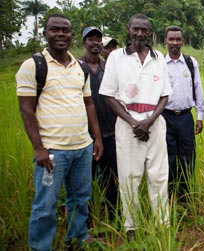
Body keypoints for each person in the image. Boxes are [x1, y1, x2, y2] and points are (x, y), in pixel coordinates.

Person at [16, 14, 103, 249]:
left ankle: (77, 238)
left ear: (72, 34)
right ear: (45, 33)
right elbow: (26, 110)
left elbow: (89, 104)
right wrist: (38, 148)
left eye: (65, 30)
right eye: (55, 29)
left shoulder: (80, 68)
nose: (61, 34)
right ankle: (41, 246)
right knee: (46, 204)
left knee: (80, 198)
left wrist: (96, 139)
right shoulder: (34, 66)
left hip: (82, 148)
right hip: (53, 152)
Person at [99, 14, 172, 239]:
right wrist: (133, 122)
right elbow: (109, 96)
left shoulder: (158, 58)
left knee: (159, 176)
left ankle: (162, 224)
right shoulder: (115, 58)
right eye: (136, 29)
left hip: (155, 124)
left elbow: (165, 96)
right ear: (128, 29)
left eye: (144, 30)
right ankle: (131, 227)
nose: (139, 33)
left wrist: (149, 121)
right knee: (130, 177)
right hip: (127, 125)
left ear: (150, 32)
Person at [161, 25, 204, 204]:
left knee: (188, 157)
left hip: (186, 117)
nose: (174, 43)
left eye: (178, 39)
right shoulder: (159, 63)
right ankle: (170, 197)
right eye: (171, 39)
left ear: (183, 41)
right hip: (165, 117)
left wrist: (200, 116)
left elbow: (198, 88)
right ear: (165, 41)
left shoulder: (190, 62)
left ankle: (185, 197)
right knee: (168, 158)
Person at [80, 26, 119, 221]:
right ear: (83, 42)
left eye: (98, 39)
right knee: (85, 179)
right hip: (84, 135)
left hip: (111, 132)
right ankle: (86, 219)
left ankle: (113, 216)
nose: (95, 42)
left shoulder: (109, 68)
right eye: (90, 39)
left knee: (112, 177)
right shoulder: (77, 68)